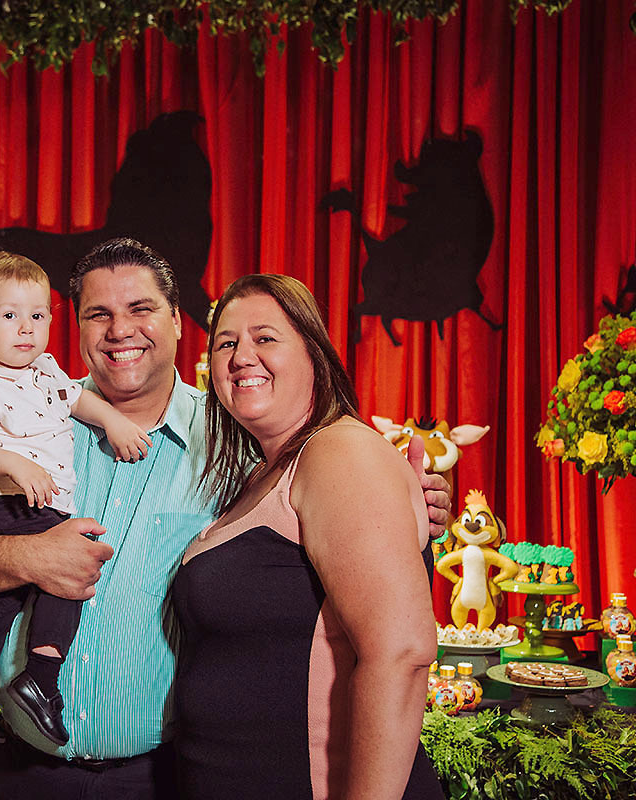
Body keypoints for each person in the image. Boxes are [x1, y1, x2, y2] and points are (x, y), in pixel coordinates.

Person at [0, 238, 451, 799]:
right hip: (28, 773)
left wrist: (408, 500)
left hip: (165, 777)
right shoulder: (22, 418)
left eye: (140, 309)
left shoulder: (237, 436)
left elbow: (337, 523)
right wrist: (29, 557)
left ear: (175, 321)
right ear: (77, 327)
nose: (120, 330)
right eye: (99, 314)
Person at [173, 273, 443, 799]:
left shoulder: (340, 452)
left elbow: (402, 653)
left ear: (314, 355)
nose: (241, 356)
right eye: (226, 343)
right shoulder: (262, 471)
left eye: (265, 338)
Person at [0, 252, 152, 747]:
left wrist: (113, 421)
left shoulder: (45, 372)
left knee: (5, 595)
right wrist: (15, 464)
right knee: (69, 569)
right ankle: (41, 677)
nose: (26, 328)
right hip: (4, 499)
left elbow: (78, 398)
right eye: (9, 315)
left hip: (36, 502)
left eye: (37, 315)